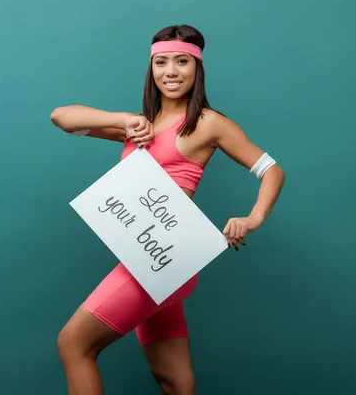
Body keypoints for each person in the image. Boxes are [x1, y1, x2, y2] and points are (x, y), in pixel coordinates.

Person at [50, 24, 285, 395]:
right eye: (161, 62)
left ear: (197, 68)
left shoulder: (208, 123)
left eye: (182, 62)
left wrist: (252, 218)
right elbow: (61, 117)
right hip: (148, 257)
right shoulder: (139, 126)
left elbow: (271, 169)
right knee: (174, 382)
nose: (171, 71)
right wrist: (122, 120)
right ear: (151, 69)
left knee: (74, 344)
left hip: (162, 261)